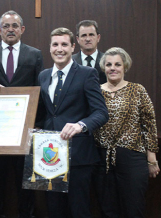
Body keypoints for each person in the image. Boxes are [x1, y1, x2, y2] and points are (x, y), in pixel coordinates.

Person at [0, 10, 43, 218]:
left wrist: (36, 126)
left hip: (25, 132)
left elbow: (39, 91)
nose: (11, 29)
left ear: (22, 29)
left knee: (26, 185)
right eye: (6, 26)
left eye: (15, 25)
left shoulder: (35, 54)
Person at [37, 27, 108, 218]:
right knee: (54, 210)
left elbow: (101, 113)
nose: (59, 49)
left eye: (64, 45)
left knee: (79, 210)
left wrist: (80, 125)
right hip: (49, 157)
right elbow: (43, 113)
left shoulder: (87, 73)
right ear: (50, 48)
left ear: (72, 47)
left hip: (78, 156)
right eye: (55, 45)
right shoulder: (43, 76)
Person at [94, 47, 160, 217]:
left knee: (133, 207)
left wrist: (151, 159)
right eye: (109, 64)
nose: (113, 68)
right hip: (102, 159)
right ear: (104, 67)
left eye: (117, 64)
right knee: (107, 208)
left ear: (125, 67)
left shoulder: (138, 90)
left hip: (132, 157)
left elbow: (149, 124)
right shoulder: (96, 91)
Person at [72, 20, 106, 84]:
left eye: (91, 35)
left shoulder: (107, 60)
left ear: (98, 38)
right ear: (78, 39)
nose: (88, 39)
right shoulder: (70, 61)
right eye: (84, 35)